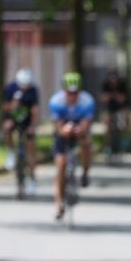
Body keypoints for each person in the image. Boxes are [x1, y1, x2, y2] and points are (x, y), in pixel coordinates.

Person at [48, 72, 95, 221]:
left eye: (75, 93)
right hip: (62, 131)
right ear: (64, 91)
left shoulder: (87, 101)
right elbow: (57, 126)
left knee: (86, 144)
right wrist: (64, 130)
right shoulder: (56, 101)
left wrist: (80, 129)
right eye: (69, 93)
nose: (72, 96)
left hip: (79, 128)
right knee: (61, 165)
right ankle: (59, 203)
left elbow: (87, 122)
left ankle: (86, 172)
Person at [2, 68, 40, 191]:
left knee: (31, 148)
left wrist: (32, 126)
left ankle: (32, 177)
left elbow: (35, 110)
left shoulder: (33, 90)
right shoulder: (10, 88)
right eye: (22, 86)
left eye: (26, 86)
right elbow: (5, 107)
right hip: (14, 117)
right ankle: (10, 153)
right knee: (7, 128)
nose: (24, 88)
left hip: (27, 120)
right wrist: (14, 104)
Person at [100, 69, 130, 160]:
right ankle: (107, 147)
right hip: (109, 109)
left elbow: (122, 99)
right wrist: (113, 96)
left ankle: (123, 144)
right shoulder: (105, 85)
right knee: (107, 126)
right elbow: (104, 98)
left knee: (124, 123)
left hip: (120, 108)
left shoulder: (122, 85)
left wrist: (113, 95)